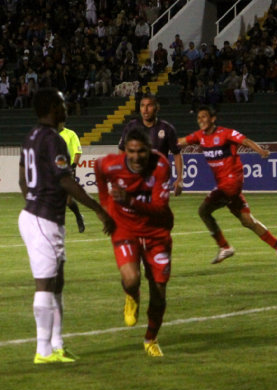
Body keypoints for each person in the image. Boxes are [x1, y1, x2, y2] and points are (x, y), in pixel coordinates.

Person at [18, 88, 114, 364]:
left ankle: (57, 345)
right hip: (43, 219)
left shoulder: (31, 137)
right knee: (46, 284)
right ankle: (42, 351)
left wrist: (34, 201)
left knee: (57, 283)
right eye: (62, 103)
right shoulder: (54, 139)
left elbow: (23, 181)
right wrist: (98, 209)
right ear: (51, 107)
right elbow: (65, 180)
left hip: (40, 216)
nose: (66, 107)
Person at [177, 105, 277, 267]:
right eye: (198, 118)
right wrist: (160, 142)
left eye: (204, 116)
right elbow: (180, 142)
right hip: (227, 187)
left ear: (213, 119)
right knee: (247, 221)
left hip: (231, 183)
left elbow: (245, 140)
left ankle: (225, 247)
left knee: (203, 210)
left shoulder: (226, 133)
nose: (201, 120)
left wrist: (260, 151)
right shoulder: (199, 136)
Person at [95, 128, 174, 357]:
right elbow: (97, 169)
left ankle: (150, 339)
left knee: (159, 293)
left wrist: (129, 199)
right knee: (131, 279)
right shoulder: (112, 164)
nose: (137, 157)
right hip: (125, 228)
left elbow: (159, 210)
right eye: (131, 151)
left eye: (141, 151)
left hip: (156, 233)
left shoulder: (160, 167)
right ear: (125, 151)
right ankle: (132, 294)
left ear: (149, 150)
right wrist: (105, 209)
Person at [118, 94, 183, 196]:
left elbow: (177, 153)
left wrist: (179, 178)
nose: (145, 109)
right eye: (142, 106)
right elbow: (122, 150)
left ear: (157, 108)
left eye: (149, 105)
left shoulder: (167, 129)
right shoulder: (131, 127)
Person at [59, 124, 86, 233]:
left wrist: (73, 166)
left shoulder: (70, 134)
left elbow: (78, 151)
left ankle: (79, 217)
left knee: (68, 200)